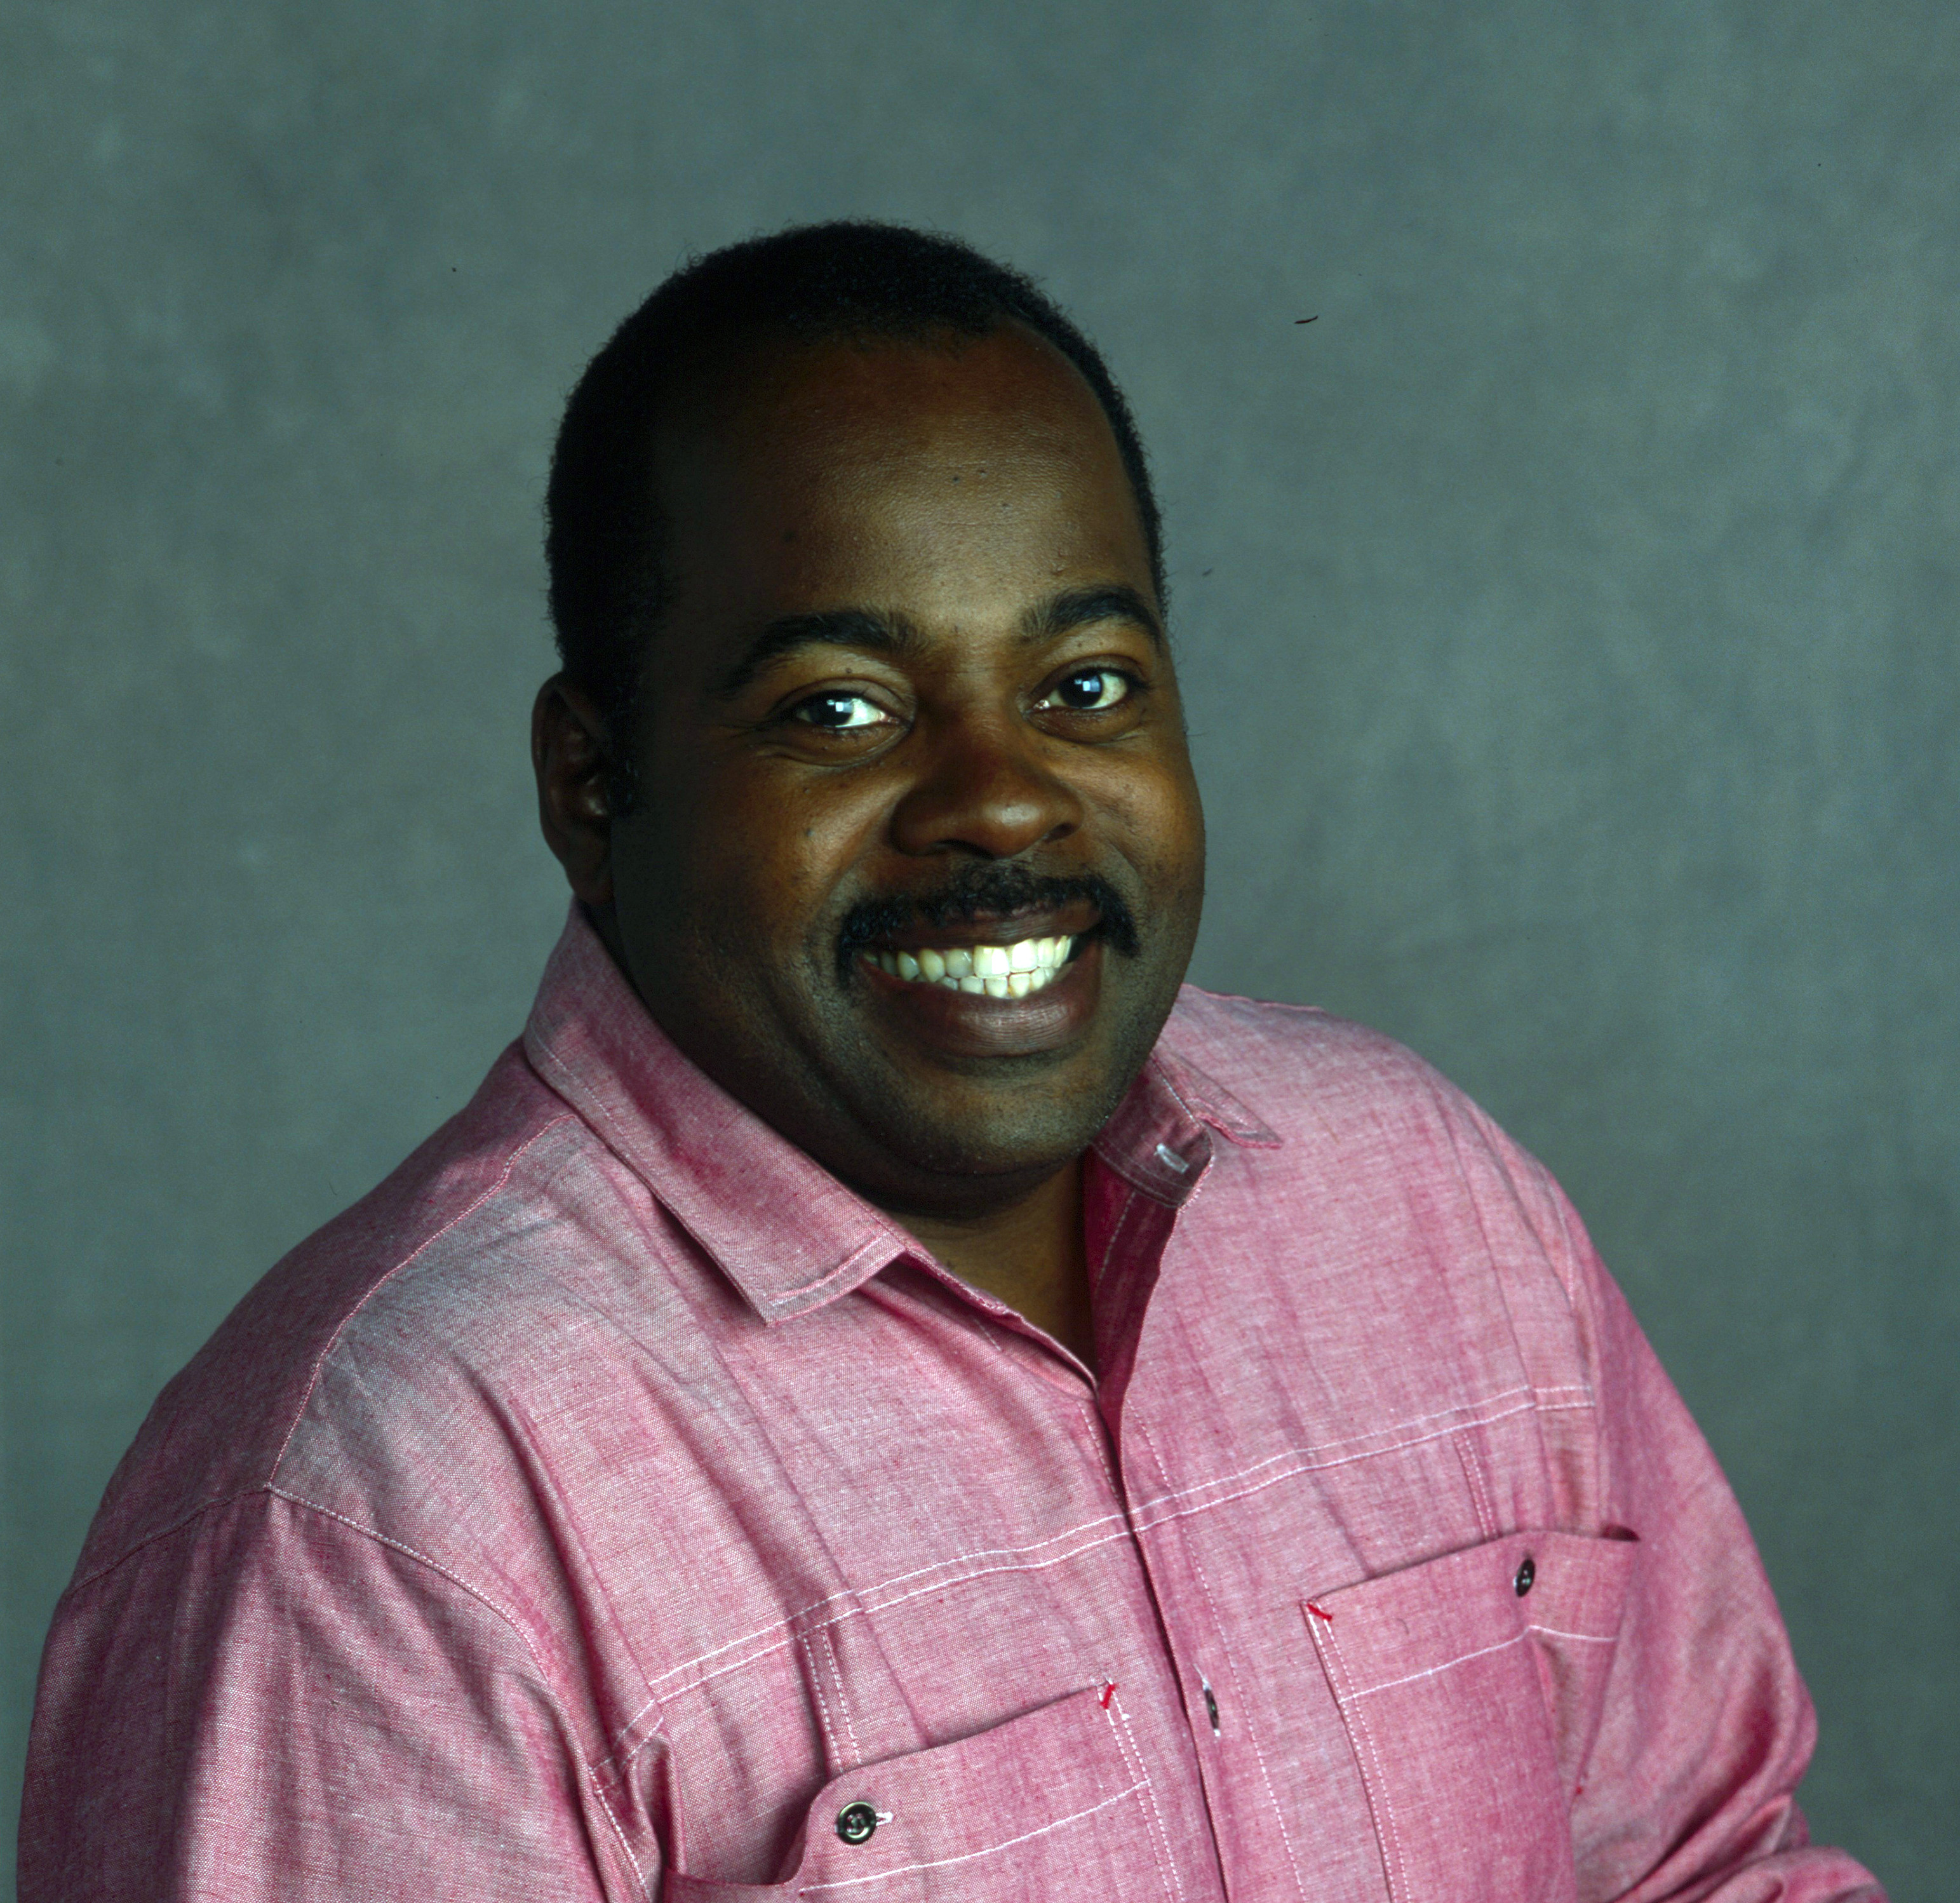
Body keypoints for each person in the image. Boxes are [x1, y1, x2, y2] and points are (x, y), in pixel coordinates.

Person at [20, 222, 1883, 1903]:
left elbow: (1704, 1868)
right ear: (594, 787)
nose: (1000, 794)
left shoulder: (1431, 1208)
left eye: (1084, 686)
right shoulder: (385, 1510)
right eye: (841, 709)